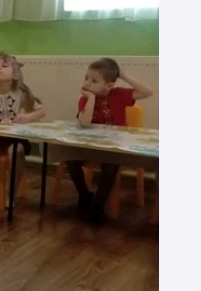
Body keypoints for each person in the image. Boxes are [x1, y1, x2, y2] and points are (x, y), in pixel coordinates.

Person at [63, 57, 154, 224]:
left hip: (114, 147)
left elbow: (147, 92)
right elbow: (84, 123)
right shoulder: (85, 99)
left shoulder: (119, 94)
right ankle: (84, 195)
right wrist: (91, 98)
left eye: (93, 81)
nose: (87, 83)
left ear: (109, 86)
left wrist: (124, 75)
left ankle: (98, 204)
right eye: (86, 78)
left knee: (110, 165)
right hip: (91, 145)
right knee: (70, 159)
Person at [0, 52, 46, 204]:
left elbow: (41, 111)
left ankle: (12, 194)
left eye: (4, 65)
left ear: (15, 74)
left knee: (18, 151)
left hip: (15, 138)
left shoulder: (21, 93)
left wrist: (26, 117)